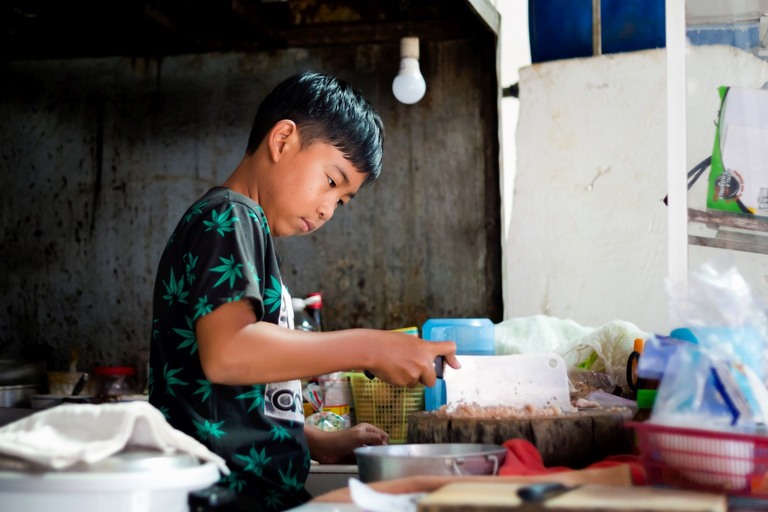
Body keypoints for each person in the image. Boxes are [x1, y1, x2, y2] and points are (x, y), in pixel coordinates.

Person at [148, 70, 459, 511]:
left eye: (342, 201)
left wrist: (311, 439)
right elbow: (228, 353)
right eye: (332, 182)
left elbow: (231, 397)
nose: (328, 208)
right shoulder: (228, 217)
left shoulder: (244, 227)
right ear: (282, 140)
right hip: (227, 497)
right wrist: (368, 347)